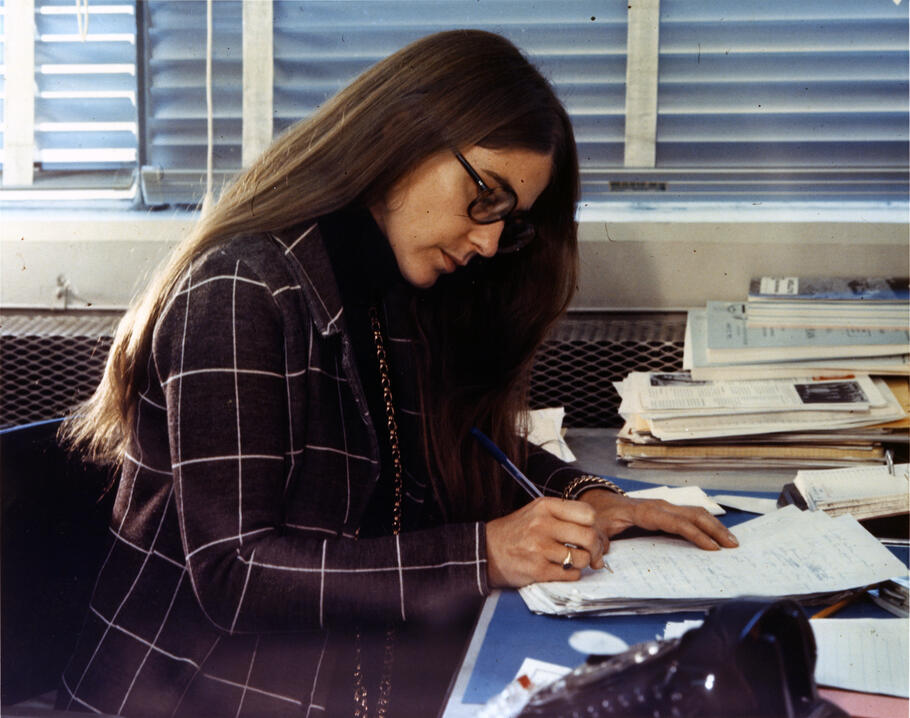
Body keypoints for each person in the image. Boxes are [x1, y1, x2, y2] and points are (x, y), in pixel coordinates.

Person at [56, 29, 737, 717]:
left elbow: (460, 442)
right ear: (403, 136)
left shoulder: (391, 280)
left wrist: (590, 494)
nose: (490, 241)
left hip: (331, 683)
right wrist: (487, 555)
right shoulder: (243, 287)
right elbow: (235, 573)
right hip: (195, 697)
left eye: (510, 220)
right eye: (485, 196)